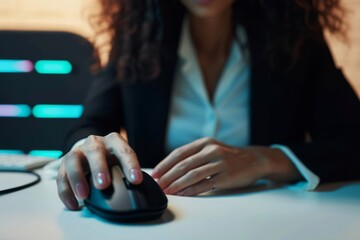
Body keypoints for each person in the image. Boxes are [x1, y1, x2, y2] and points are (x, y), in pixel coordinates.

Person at [57, 0, 360, 210]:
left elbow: (353, 142)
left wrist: (264, 160)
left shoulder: (294, 35)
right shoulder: (140, 35)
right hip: (160, 222)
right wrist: (88, 147)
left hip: (268, 222)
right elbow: (90, 125)